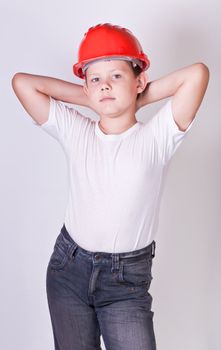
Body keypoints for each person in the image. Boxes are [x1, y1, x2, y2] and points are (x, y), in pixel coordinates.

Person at [11, 23, 209, 350]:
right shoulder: (78, 131)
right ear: (86, 89)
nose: (105, 86)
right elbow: (22, 84)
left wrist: (136, 100)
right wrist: (92, 99)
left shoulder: (156, 137)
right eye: (95, 80)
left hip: (125, 284)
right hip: (68, 272)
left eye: (116, 76)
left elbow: (197, 74)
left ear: (139, 80)